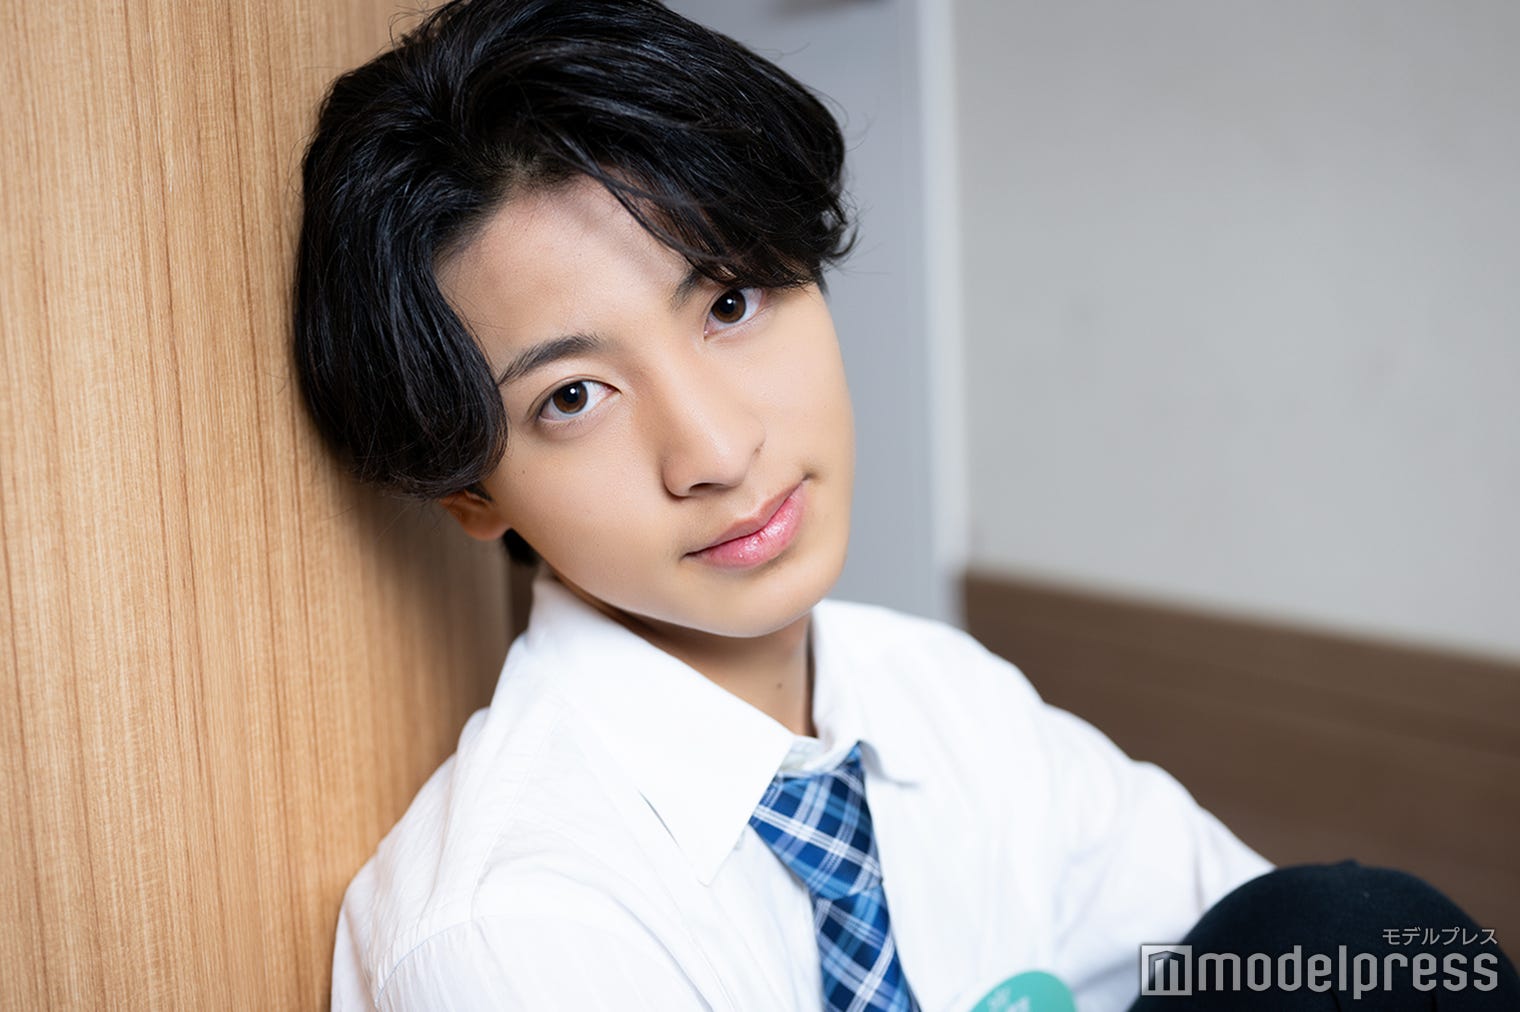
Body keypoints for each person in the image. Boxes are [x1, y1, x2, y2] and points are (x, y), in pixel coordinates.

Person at [294, 2, 1516, 1009]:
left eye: (729, 303)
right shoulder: (512, 934)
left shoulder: (934, 700)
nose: (715, 448)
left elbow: (1275, 952)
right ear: (470, 490)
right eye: (573, 396)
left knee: (1360, 940)